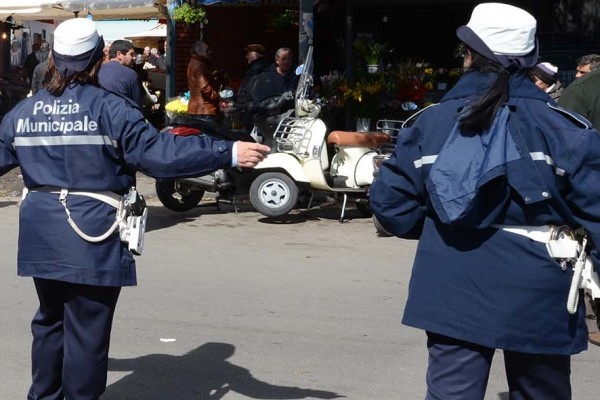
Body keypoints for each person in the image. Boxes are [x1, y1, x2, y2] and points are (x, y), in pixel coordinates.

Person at [0, 17, 269, 400]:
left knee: (50, 321)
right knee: (86, 331)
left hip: (40, 234)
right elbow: (160, 155)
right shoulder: (111, 109)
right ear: (99, 57)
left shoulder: (23, 114)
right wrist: (227, 151)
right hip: (91, 235)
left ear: (55, 59)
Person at [370, 3, 600, 399]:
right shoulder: (567, 129)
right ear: (530, 60)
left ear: (471, 56)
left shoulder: (429, 123)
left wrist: (442, 226)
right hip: (540, 287)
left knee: (451, 393)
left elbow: (393, 210)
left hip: (449, 279)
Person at [98, 39, 144, 108]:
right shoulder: (131, 74)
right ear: (119, 54)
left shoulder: (98, 70)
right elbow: (137, 104)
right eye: (131, 54)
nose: (134, 57)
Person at [237, 44, 271, 132]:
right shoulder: (262, 66)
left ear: (255, 54)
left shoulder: (256, 68)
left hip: (253, 107)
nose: (246, 56)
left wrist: (242, 101)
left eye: (248, 53)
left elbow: (250, 87)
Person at [187, 40, 221, 121]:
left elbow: (198, 82)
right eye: (207, 50)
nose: (210, 52)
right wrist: (217, 96)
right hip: (204, 111)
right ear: (199, 52)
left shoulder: (194, 62)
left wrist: (212, 75)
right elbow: (204, 87)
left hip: (195, 109)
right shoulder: (200, 65)